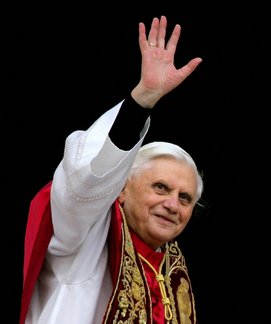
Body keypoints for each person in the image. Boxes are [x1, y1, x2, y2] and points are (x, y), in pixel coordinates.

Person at [19, 15, 203, 324]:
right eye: (160, 187)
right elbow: (85, 184)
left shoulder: (171, 266)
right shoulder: (85, 236)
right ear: (121, 189)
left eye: (185, 198)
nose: (172, 204)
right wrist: (142, 100)